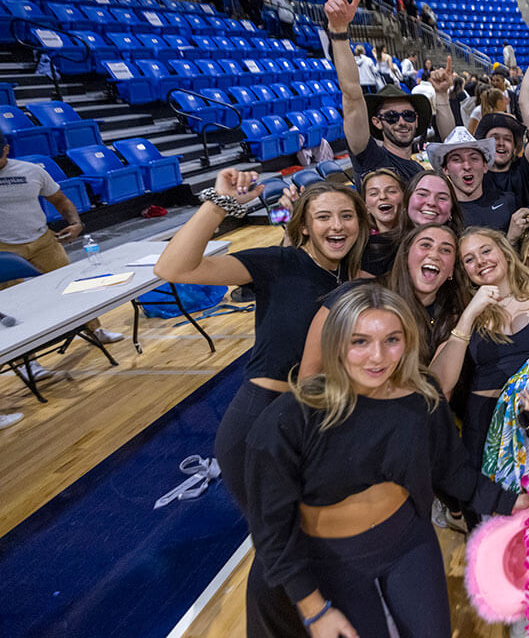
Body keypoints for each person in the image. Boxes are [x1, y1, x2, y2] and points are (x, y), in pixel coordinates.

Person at [154, 174, 368, 638]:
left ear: (360, 224)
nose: (337, 225)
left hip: (318, 425)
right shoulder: (278, 263)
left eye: (346, 216)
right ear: (305, 225)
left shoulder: (356, 280)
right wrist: (220, 203)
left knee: (303, 543)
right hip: (262, 420)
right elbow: (173, 268)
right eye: (324, 216)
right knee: (281, 548)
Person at [245, 284, 477, 638]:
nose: (378, 357)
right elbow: (271, 528)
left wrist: (513, 501)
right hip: (334, 560)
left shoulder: (421, 394)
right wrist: (314, 610)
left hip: (409, 543)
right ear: (337, 343)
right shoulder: (289, 420)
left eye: (392, 340)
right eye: (360, 342)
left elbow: (452, 469)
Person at [428, 227, 529, 517]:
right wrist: (471, 314)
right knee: (490, 532)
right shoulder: (464, 316)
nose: (480, 261)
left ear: (505, 252)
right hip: (483, 427)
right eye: (469, 259)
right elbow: (439, 384)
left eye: (486, 250)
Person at [0, 133, 121, 383]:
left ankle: (94, 329)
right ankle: (27, 360)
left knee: (70, 287)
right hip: (4, 249)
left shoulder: (31, 171)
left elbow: (60, 199)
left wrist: (75, 223)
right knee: (14, 306)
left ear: (6, 149)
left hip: (43, 240)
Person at [326, 0, 456, 183]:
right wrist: (339, 33)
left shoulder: (417, 169)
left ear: (416, 119)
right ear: (377, 121)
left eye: (408, 115)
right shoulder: (371, 159)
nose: (402, 121)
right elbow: (352, 95)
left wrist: (441, 95)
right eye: (392, 116)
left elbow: (451, 142)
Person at [299, 223, 467, 378]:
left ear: (452, 269)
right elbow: (309, 377)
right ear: (406, 255)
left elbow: (439, 389)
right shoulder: (355, 294)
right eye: (425, 245)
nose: (434, 254)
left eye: (446, 250)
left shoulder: (449, 317)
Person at [426, 127, 520, 235]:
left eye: (474, 158)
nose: (467, 166)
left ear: (485, 166)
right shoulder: (439, 212)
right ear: (445, 170)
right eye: (456, 160)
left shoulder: (508, 202)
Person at [476, 111, 529, 209]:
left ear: (515, 148)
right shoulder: (475, 173)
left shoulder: (524, 170)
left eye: (507, 139)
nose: (501, 143)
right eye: (494, 138)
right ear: (484, 145)